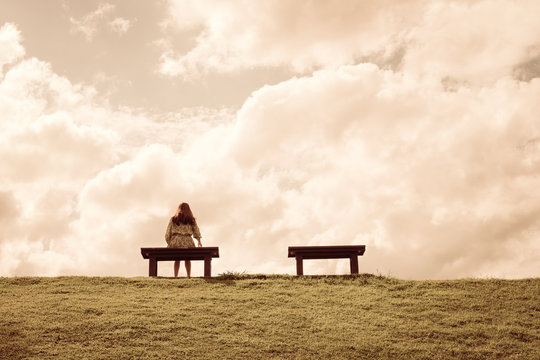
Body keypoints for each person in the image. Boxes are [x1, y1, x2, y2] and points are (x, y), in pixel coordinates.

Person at [165, 202, 202, 277]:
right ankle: (188, 275)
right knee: (187, 258)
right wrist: (199, 241)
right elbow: (196, 230)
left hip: (176, 241)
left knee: (177, 259)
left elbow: (168, 232)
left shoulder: (173, 219)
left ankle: (175, 276)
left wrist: (169, 242)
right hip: (187, 241)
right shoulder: (191, 220)